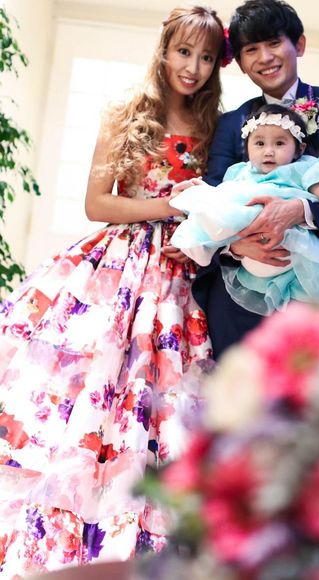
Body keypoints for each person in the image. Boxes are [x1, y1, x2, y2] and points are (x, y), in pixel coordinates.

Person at [0, 6, 227, 576]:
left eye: (205, 57)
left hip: (183, 273)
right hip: (118, 268)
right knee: (93, 391)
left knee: (162, 401)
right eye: (184, 52)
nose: (193, 67)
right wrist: (172, 205)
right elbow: (97, 203)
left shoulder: (218, 126)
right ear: (165, 49)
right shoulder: (126, 111)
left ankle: (142, 548)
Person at [184, 0, 319, 359]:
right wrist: (235, 246)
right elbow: (216, 193)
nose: (265, 57)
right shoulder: (232, 123)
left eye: (273, 43)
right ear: (241, 63)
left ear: (298, 44)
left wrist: (299, 210)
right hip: (245, 292)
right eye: (251, 49)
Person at [169, 104, 319, 316]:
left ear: (299, 149)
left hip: (296, 248)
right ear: (247, 148)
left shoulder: (301, 168)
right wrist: (205, 191)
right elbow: (224, 195)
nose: (269, 151)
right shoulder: (240, 173)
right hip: (249, 249)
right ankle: (198, 237)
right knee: (219, 205)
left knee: (315, 294)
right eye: (259, 143)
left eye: (279, 143)